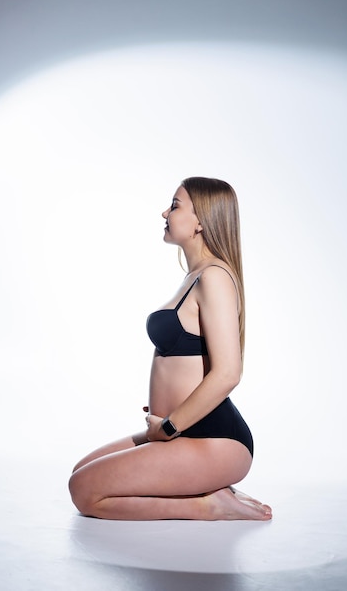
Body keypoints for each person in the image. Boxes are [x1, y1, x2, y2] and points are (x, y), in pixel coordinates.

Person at [69, 177, 272, 521]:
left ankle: (207, 504)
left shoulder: (214, 277)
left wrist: (167, 427)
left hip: (210, 438)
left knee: (85, 492)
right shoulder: (194, 276)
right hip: (178, 431)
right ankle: (206, 486)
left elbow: (228, 373)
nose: (165, 212)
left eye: (175, 205)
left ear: (201, 220)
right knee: (82, 471)